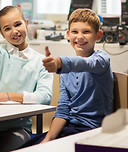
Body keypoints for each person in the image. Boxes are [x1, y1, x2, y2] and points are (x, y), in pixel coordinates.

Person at [20, 8, 114, 147]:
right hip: (70, 128)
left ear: (98, 35)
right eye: (75, 32)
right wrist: (48, 140)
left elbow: (86, 64)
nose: (80, 36)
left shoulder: (101, 60)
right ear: (68, 35)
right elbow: (63, 110)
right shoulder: (65, 71)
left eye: (86, 32)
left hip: (93, 131)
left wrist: (59, 62)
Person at [0, 6, 53, 152]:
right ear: (2, 33)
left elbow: (45, 97)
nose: (14, 31)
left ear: (26, 23)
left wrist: (7, 96)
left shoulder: (41, 61)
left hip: (18, 127)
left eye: (18, 24)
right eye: (7, 28)